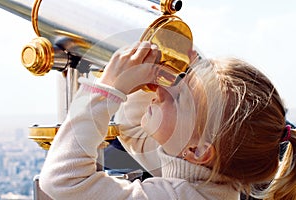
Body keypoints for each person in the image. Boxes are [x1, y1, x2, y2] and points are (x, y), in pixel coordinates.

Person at [39, 41, 296, 200]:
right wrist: (150, 78)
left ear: (197, 150)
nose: (162, 90)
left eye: (179, 99)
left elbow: (63, 181)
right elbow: (135, 130)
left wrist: (104, 90)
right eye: (178, 82)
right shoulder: (209, 180)